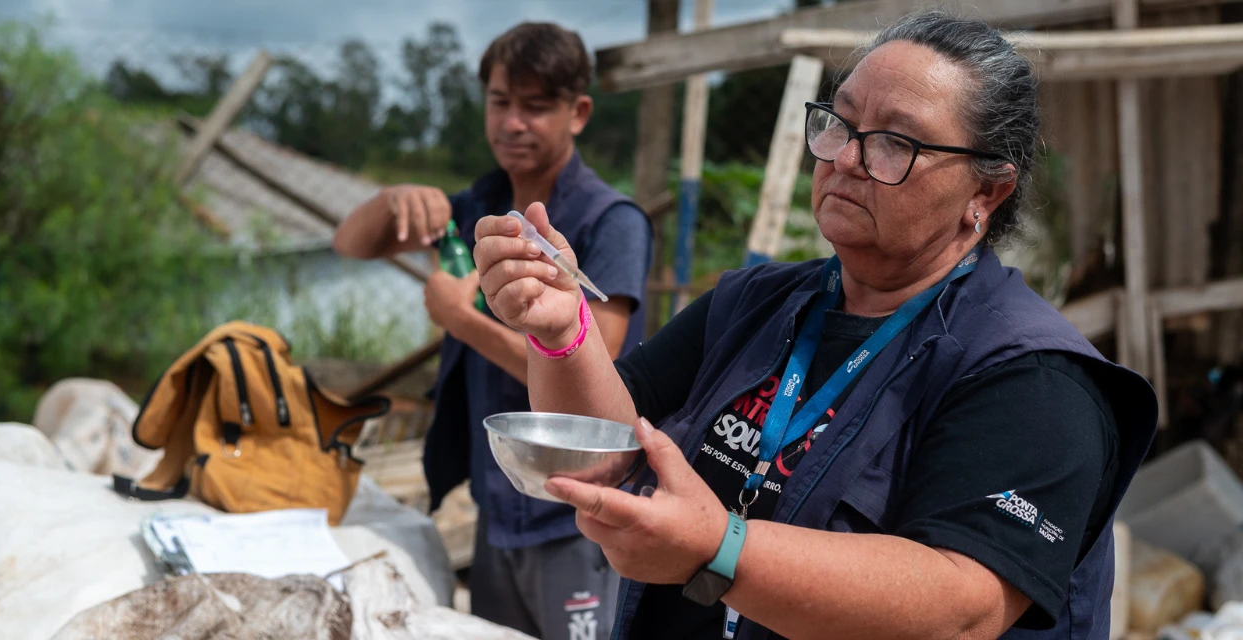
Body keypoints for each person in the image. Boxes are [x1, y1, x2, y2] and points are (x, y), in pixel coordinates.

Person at [472, 11, 1158, 640]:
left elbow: (964, 604)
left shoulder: (1033, 377)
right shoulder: (756, 303)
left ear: (986, 190)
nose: (846, 158)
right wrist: (562, 332)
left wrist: (721, 547)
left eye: (892, 142)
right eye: (839, 123)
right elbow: (608, 451)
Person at [333, 21, 652, 640]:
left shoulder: (611, 222)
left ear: (578, 112)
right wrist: (392, 200)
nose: (513, 123)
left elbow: (600, 365)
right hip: (496, 503)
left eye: (535, 107)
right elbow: (351, 242)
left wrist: (459, 319)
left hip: (576, 513)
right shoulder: (476, 205)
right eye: (501, 103)